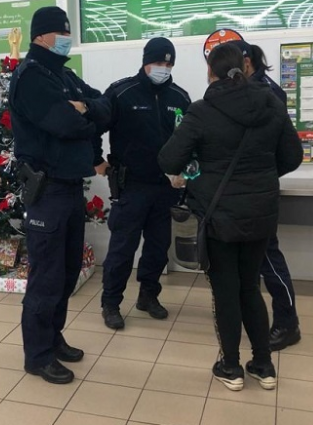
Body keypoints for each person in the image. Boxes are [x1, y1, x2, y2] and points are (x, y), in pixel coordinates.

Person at [158, 43, 303, 391]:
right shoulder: (271, 104)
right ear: (245, 67)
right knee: (250, 287)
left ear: (211, 72)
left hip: (219, 216)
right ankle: (264, 365)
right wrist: (262, 178)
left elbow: (168, 161)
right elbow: (293, 156)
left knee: (226, 292)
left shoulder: (202, 111)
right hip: (261, 215)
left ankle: (231, 366)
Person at [8, 6, 110, 385]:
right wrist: (85, 115)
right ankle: (36, 355)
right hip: (47, 191)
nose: (67, 38)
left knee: (67, 274)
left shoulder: (62, 74)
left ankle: (53, 337)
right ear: (42, 36)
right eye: (62, 32)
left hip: (69, 188)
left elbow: (104, 106)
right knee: (47, 277)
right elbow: (66, 125)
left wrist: (85, 107)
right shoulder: (32, 77)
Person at [93, 37, 191, 330]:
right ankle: (110, 303)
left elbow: (189, 140)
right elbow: (92, 127)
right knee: (122, 249)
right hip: (131, 186)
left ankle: (148, 296)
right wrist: (96, 161)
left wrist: (186, 172)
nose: (163, 67)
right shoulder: (121, 92)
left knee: (158, 248)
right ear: (145, 62)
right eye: (157, 62)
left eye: (168, 63)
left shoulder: (180, 97)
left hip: (166, 187)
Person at [229, 39, 301, 351]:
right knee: (255, 259)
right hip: (247, 190)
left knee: (268, 258)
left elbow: (288, 151)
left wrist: (264, 177)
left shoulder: (265, 93)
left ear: (246, 62)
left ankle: (287, 323)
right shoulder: (254, 88)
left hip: (257, 191)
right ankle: (257, 317)